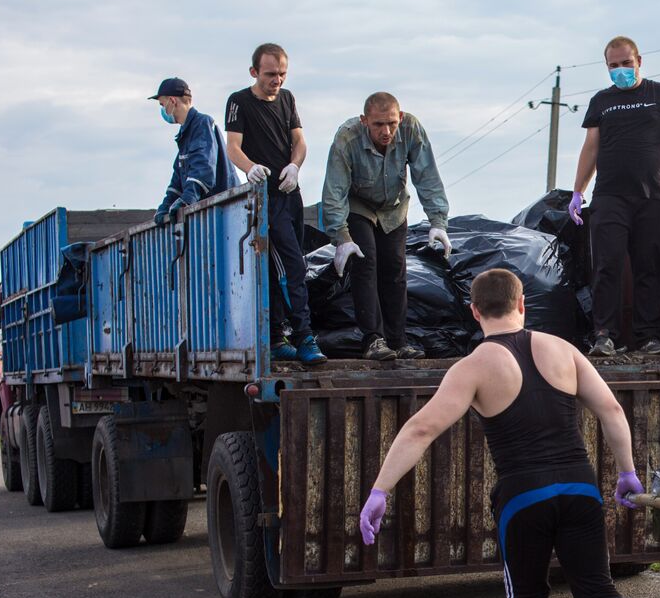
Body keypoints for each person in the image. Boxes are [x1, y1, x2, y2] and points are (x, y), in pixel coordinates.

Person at [359, 268, 660, 598]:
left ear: (474, 311)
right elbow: (610, 409)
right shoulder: (562, 350)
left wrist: (379, 491)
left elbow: (421, 428)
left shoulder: (472, 367)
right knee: (597, 588)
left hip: (523, 497)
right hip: (579, 487)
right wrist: (627, 472)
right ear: (522, 303)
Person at [568, 35, 660, 358]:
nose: (620, 70)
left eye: (625, 64)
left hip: (651, 198)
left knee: (650, 266)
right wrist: (578, 190)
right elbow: (591, 148)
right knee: (608, 265)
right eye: (613, 66)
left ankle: (649, 337)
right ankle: (605, 336)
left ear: (639, 61)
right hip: (609, 198)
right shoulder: (601, 101)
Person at [322, 92, 450, 362]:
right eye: (378, 124)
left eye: (392, 123)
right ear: (364, 120)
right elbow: (334, 192)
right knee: (365, 262)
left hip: (393, 208)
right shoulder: (347, 138)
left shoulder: (411, 129)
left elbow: (426, 175)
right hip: (358, 206)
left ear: (400, 117)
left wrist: (438, 221)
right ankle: (373, 339)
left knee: (395, 268)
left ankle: (398, 340)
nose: (386, 131)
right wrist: (342, 237)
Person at [225, 43, 324, 365]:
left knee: (286, 265)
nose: (276, 80)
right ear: (255, 72)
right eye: (270, 74)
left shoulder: (288, 99)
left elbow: (299, 141)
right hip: (264, 197)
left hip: (290, 192)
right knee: (291, 266)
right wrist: (249, 167)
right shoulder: (239, 102)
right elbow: (233, 147)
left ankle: (275, 336)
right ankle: (304, 337)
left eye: (282, 74)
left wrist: (296, 165)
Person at [149, 77, 240, 227]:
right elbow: (178, 177)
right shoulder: (186, 134)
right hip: (209, 214)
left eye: (162, 104)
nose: (163, 110)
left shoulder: (202, 124)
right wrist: (166, 205)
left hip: (226, 211)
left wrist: (187, 199)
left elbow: (203, 168)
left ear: (173, 101)